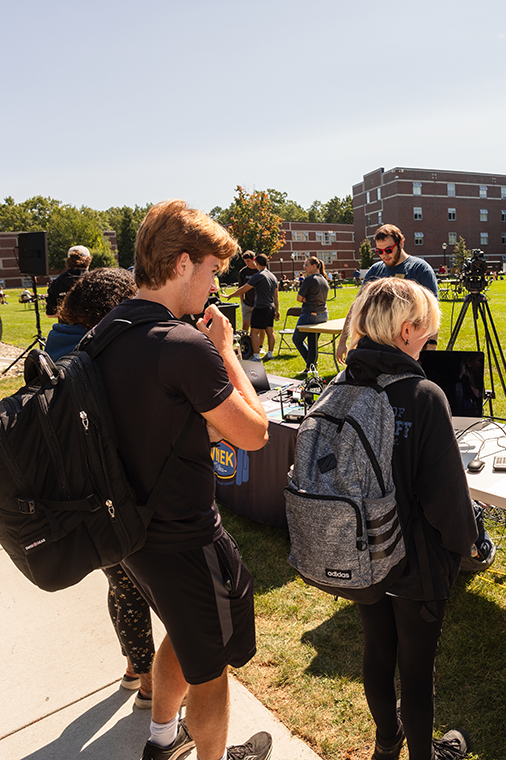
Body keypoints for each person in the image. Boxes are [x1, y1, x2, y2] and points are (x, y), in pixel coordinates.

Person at [92, 199, 271, 760]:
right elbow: (256, 432)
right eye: (214, 271)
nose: (216, 286)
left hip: (134, 536)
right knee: (211, 666)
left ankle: (162, 739)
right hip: (187, 539)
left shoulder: (107, 331)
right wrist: (226, 351)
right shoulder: (185, 345)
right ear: (181, 264)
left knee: (182, 631)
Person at [344, 277, 476, 760]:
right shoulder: (423, 395)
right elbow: (447, 499)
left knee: (378, 652)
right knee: (416, 671)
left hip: (362, 552)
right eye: (427, 331)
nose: (431, 340)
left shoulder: (343, 383)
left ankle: (386, 743)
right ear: (405, 331)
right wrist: (465, 547)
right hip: (414, 561)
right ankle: (422, 753)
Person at [43, 268, 158, 707]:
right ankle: (149, 684)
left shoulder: (55, 345)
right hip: (112, 493)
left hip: (76, 492)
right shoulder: (90, 354)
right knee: (136, 588)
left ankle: (134, 666)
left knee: (119, 583)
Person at [336, 224, 439, 363]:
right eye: (379, 251)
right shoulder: (375, 270)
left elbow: (431, 313)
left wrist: (431, 347)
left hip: (407, 348)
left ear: (401, 243)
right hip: (375, 348)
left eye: (389, 250)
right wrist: (343, 341)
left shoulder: (420, 269)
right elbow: (357, 306)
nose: (384, 255)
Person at [226, 252, 279, 361]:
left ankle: (256, 356)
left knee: (254, 332)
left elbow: (245, 288)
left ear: (256, 262)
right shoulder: (273, 276)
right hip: (271, 307)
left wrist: (231, 295)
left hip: (260, 308)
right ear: (267, 263)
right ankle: (270, 353)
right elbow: (276, 296)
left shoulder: (258, 276)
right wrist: (276, 310)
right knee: (270, 332)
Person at [291, 256, 329, 372]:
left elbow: (299, 298)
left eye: (306, 265)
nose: (304, 267)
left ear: (314, 266)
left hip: (310, 314)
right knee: (312, 343)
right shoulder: (324, 279)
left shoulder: (309, 279)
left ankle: (310, 364)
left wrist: (305, 300)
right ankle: (310, 368)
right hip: (323, 315)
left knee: (297, 339)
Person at [46, 245, 92, 318]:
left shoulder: (57, 283)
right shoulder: (94, 281)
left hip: (65, 327)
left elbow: (50, 314)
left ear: (68, 261)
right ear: (88, 261)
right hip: (90, 327)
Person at [236, 251, 257, 332]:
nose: (247, 263)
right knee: (245, 326)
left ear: (253, 259)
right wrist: (242, 302)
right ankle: (245, 343)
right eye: (245, 261)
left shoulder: (259, 270)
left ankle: (258, 344)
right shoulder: (243, 272)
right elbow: (240, 288)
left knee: (256, 327)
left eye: (248, 261)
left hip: (258, 303)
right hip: (247, 303)